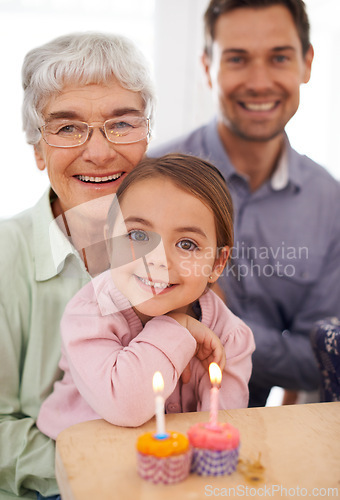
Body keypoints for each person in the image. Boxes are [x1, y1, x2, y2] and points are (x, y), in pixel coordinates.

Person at [149, 0, 340, 406]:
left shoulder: (330, 203)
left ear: (306, 63)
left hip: (252, 438)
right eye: (237, 59)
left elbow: (320, 360)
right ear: (206, 67)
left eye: (279, 58)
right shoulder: (148, 179)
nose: (259, 81)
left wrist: (220, 326)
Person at [0, 32, 155, 500]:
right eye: (67, 128)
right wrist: (110, 466)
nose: (101, 152)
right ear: (37, 150)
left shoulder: (177, 243)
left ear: (148, 135)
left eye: (122, 123)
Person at [37, 153, 255, 439]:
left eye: (186, 243)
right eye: (138, 236)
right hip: (79, 464)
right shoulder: (89, 313)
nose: (158, 260)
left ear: (217, 263)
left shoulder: (229, 338)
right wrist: (177, 326)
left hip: (172, 470)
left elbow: (221, 434)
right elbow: (125, 405)